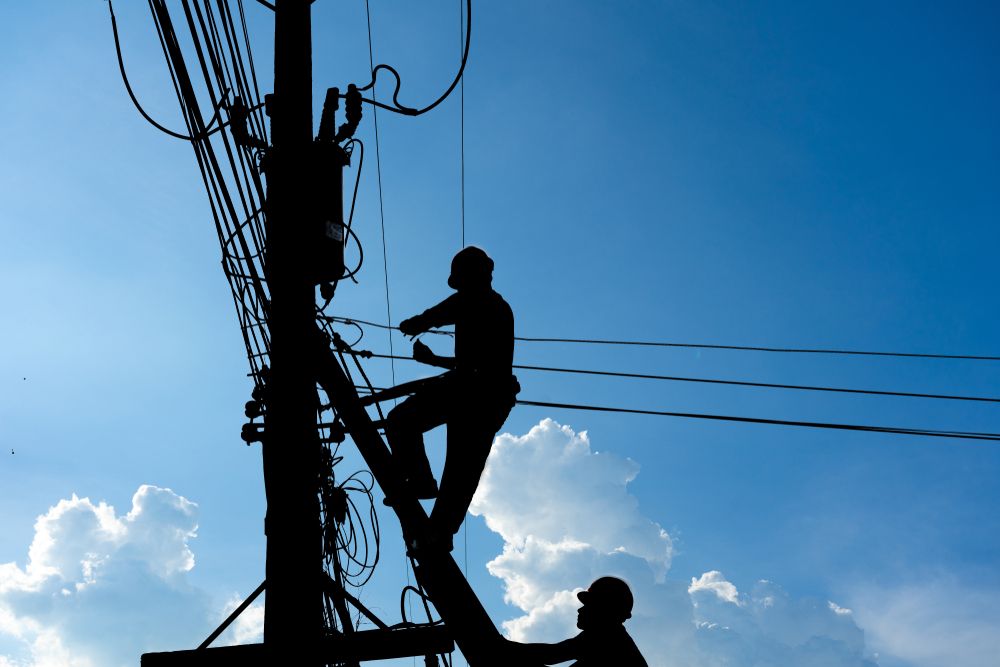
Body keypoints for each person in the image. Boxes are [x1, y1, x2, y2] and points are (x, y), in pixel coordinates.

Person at [383, 246, 518, 551]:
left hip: (476, 396)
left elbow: (442, 314)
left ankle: (434, 520)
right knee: (458, 467)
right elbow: (476, 362)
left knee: (457, 465)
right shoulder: (487, 305)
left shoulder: (482, 302)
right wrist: (433, 360)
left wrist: (416, 323)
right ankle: (431, 512)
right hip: (477, 393)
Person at [504, 577, 648, 667]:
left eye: (589, 605)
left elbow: (550, 655)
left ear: (604, 610)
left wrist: (503, 647)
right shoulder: (611, 638)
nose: (580, 610)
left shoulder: (608, 638)